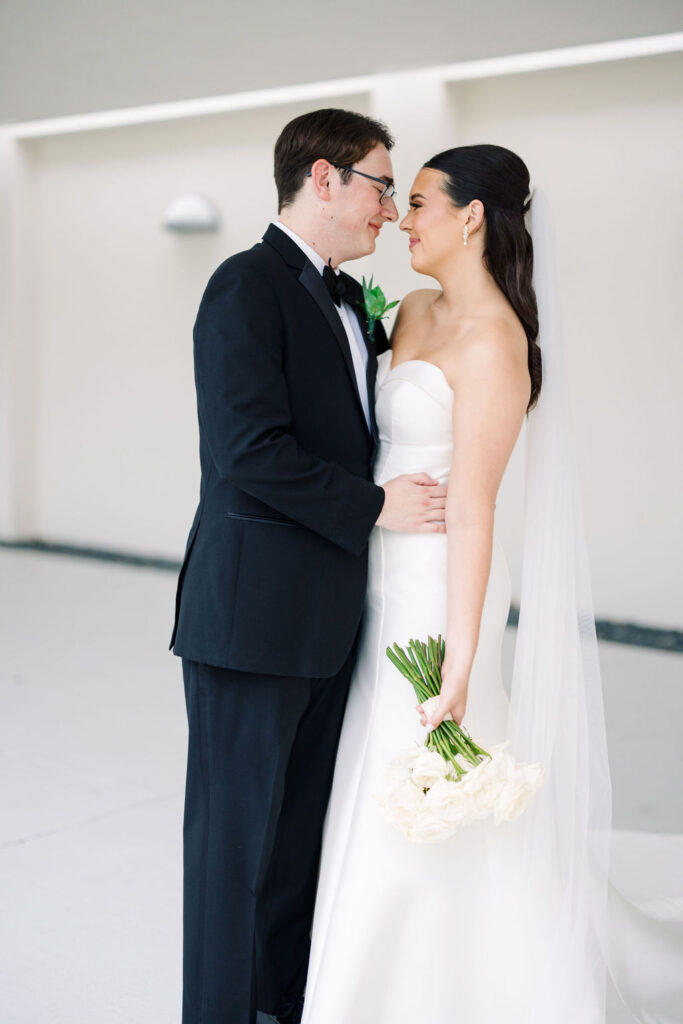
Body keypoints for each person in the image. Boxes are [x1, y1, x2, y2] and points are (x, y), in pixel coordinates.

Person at [300, 144, 616, 1023]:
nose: (404, 219)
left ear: (472, 217)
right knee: (364, 765)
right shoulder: (405, 311)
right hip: (371, 567)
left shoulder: (498, 345)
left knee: (419, 761)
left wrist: (461, 662)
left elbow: (473, 509)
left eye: (422, 204)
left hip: (437, 582)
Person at [169, 108, 449, 1024]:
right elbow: (248, 450)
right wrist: (375, 506)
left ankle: (278, 1008)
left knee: (296, 851)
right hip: (251, 623)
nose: (387, 210)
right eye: (379, 184)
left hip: (330, 625)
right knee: (230, 856)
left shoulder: (345, 299)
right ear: (322, 179)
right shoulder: (243, 286)